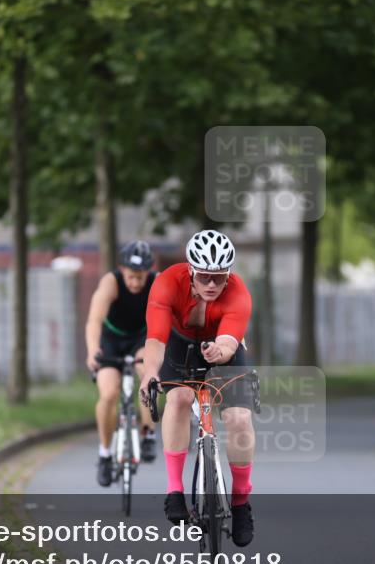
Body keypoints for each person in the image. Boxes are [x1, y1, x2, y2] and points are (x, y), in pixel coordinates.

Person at [137, 230, 257, 547]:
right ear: (191, 269)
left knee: (239, 420)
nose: (212, 285)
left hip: (223, 345)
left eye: (219, 278)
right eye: (205, 276)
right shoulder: (166, 283)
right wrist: (149, 373)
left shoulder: (238, 292)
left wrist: (221, 351)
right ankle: (175, 491)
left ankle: (241, 502)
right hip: (178, 345)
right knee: (177, 398)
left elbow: (230, 340)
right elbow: (155, 339)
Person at [85, 241, 158, 487]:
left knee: (147, 372)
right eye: (131, 277)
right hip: (111, 339)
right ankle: (105, 454)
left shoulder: (156, 283)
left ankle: (148, 432)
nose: (136, 283)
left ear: (148, 272)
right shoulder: (110, 282)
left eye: (140, 277)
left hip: (140, 337)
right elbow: (94, 320)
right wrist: (93, 349)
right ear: (122, 270)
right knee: (109, 393)